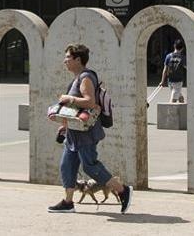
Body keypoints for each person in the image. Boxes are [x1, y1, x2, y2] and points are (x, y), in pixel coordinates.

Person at [47, 43, 132, 214]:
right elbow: (75, 111)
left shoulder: (85, 77)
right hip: (74, 132)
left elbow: (89, 101)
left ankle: (123, 190)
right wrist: (65, 126)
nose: (65, 61)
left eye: (68, 58)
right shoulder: (77, 78)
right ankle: (68, 202)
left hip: (86, 133)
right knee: (67, 165)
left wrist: (68, 98)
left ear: (78, 59)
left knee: (90, 166)